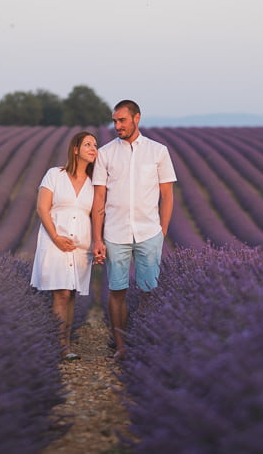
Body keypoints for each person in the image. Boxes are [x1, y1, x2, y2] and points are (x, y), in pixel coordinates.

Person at [92, 100, 176, 360]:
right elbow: (99, 199)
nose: (117, 126)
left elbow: (167, 195)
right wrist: (97, 238)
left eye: (122, 120)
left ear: (136, 118)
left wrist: (162, 231)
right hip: (115, 233)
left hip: (148, 232)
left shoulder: (158, 151)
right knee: (117, 290)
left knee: (149, 290)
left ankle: (144, 341)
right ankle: (121, 346)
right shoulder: (105, 153)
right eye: (114, 121)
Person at [31, 131, 98, 361]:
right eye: (87, 144)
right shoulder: (55, 175)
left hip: (80, 245)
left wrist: (98, 242)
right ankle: (60, 346)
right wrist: (56, 237)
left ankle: (65, 344)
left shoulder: (93, 183)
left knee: (70, 294)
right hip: (55, 242)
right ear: (75, 149)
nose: (93, 148)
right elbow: (42, 207)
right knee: (61, 293)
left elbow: (97, 215)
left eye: (95, 145)